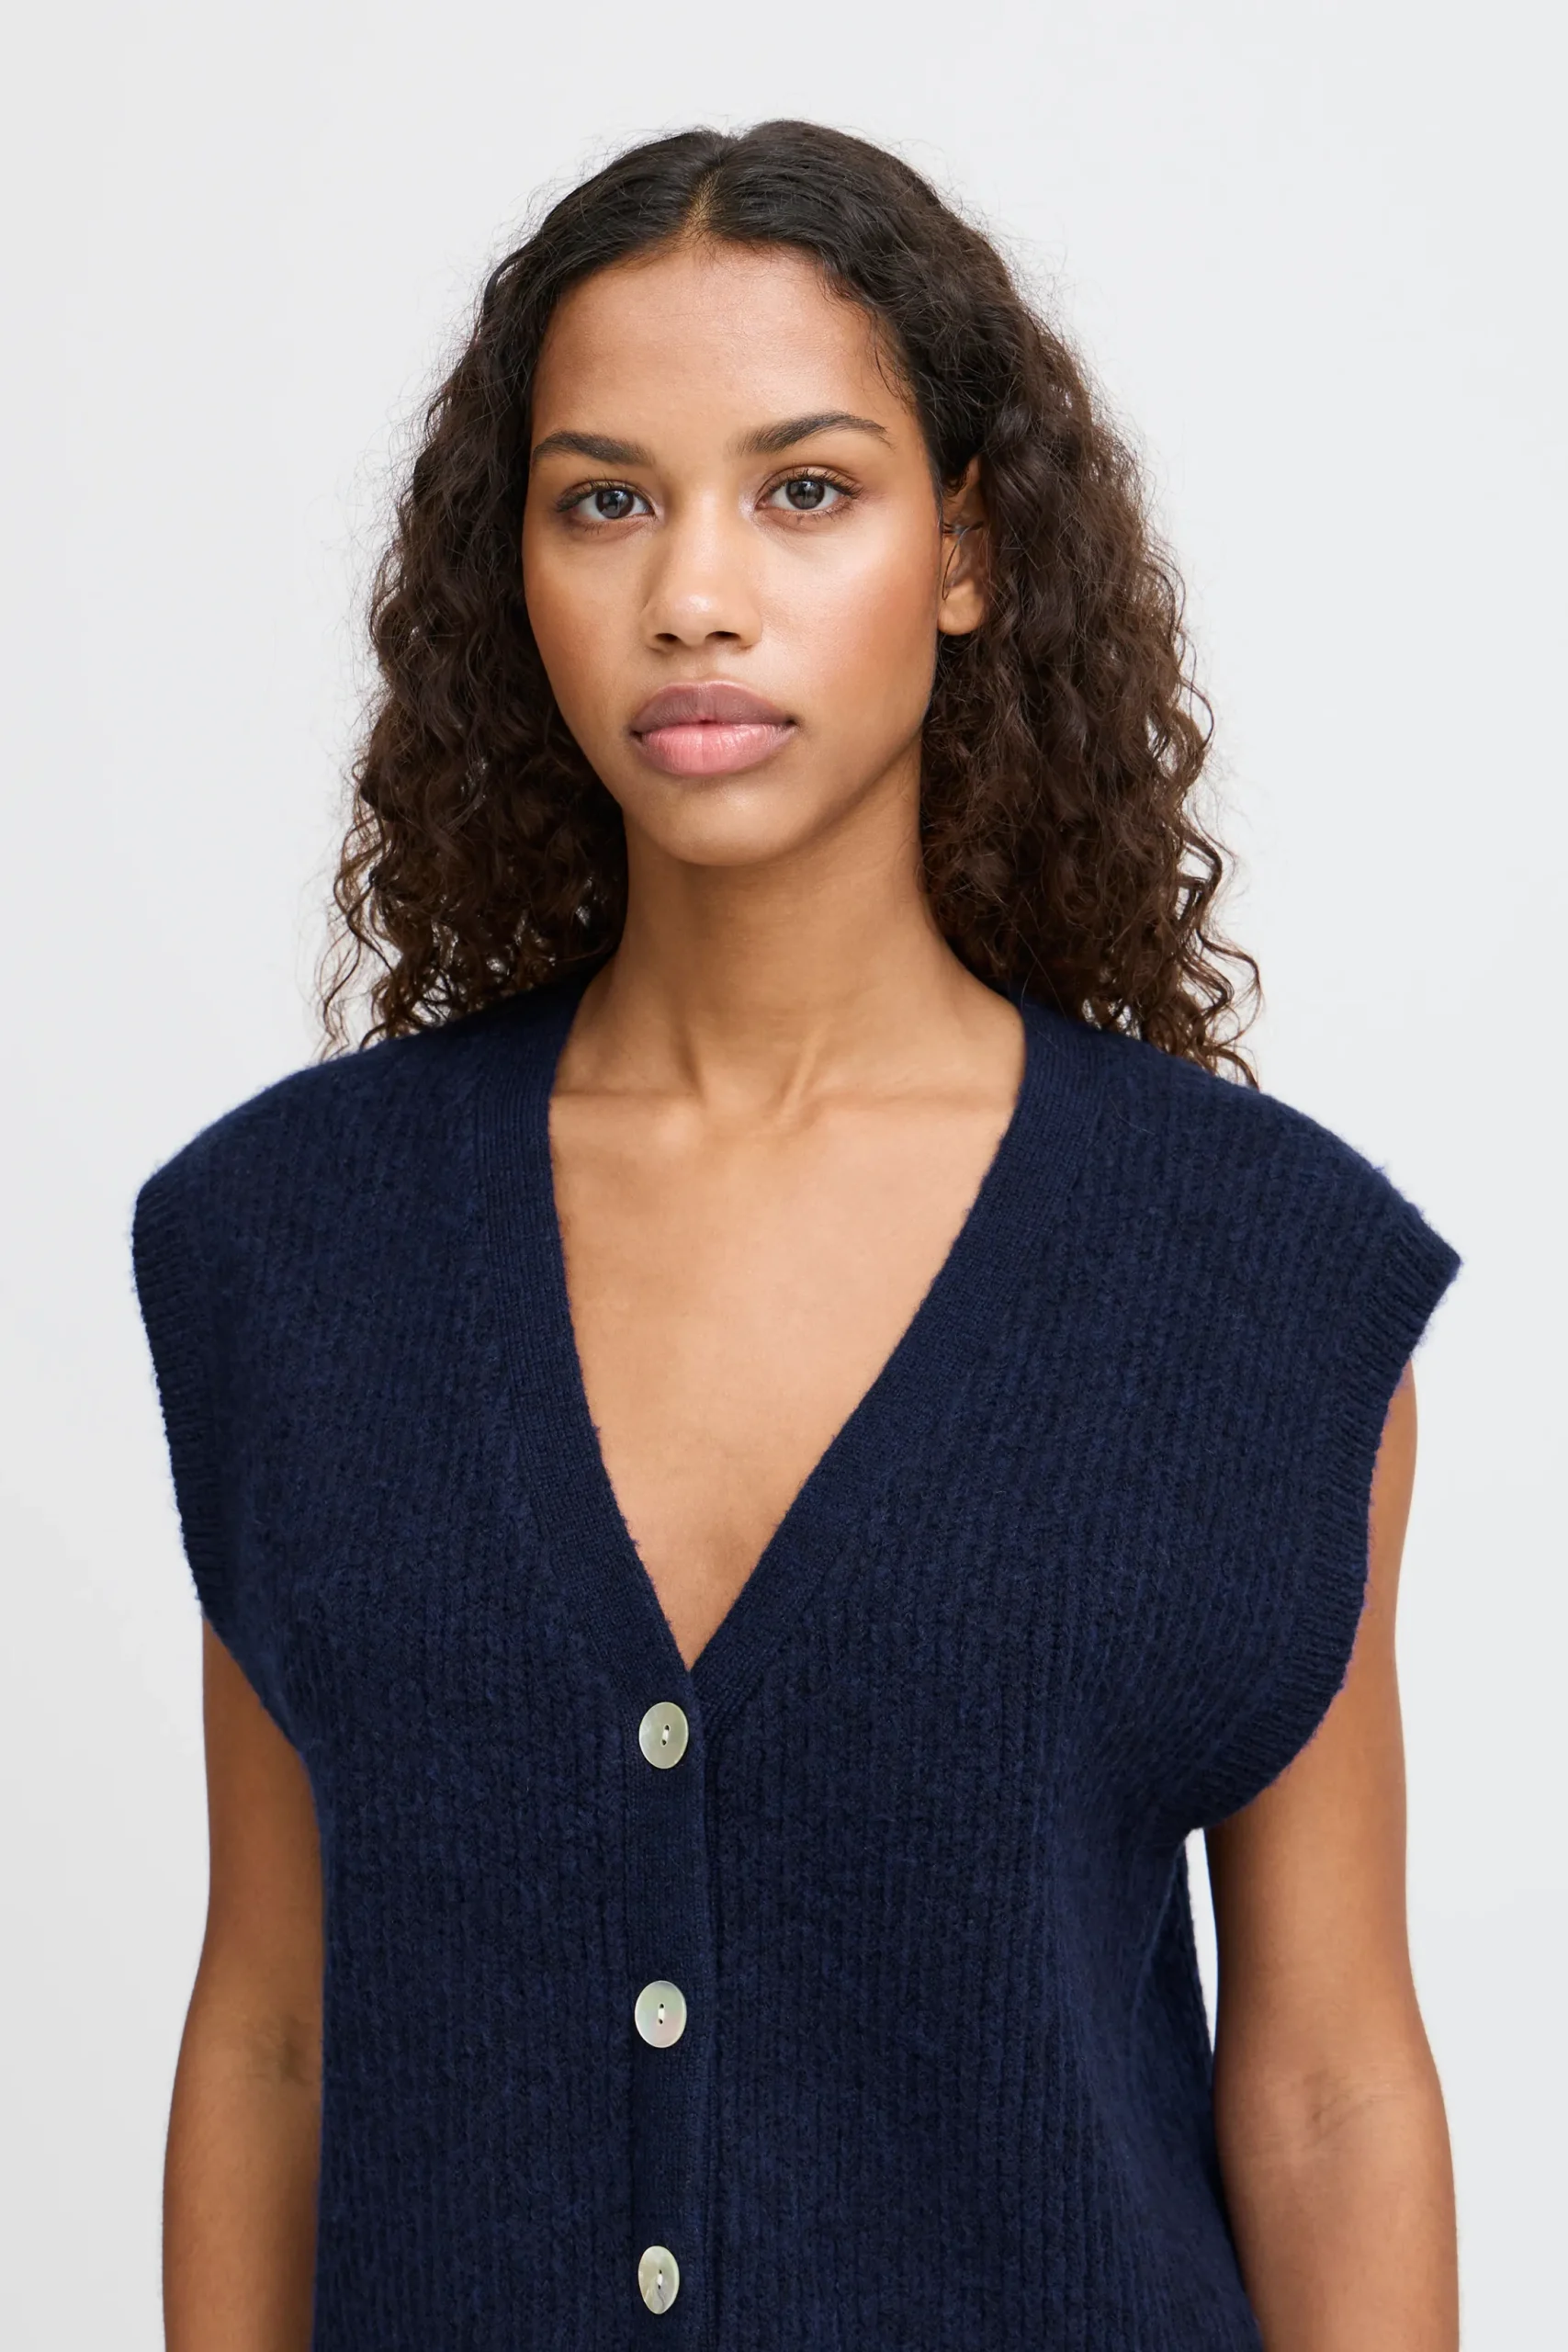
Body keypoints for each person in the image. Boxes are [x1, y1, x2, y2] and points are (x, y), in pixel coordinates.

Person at [132, 119, 1463, 2351]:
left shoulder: (1255, 1278)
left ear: (969, 549)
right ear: (514, 570)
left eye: (806, 490)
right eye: (604, 500)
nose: (694, 593)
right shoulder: (291, 1250)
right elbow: (271, 2029)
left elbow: (1329, 2087)